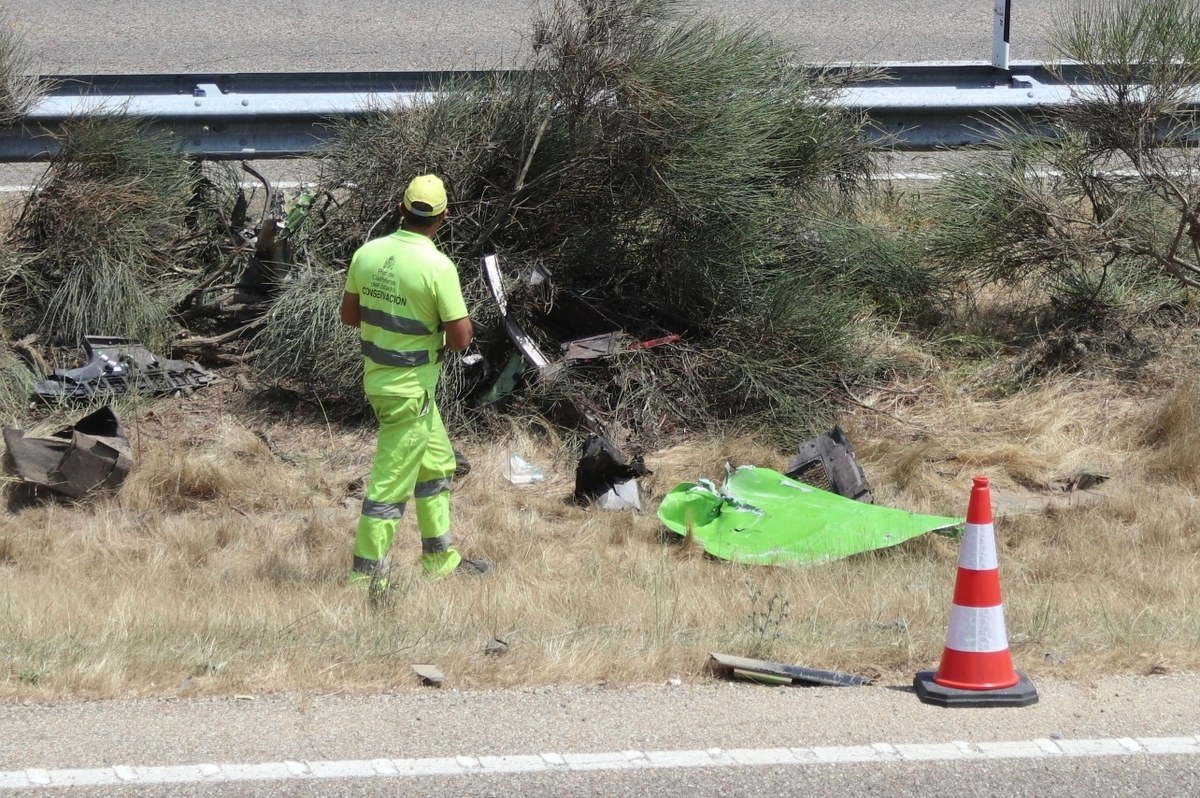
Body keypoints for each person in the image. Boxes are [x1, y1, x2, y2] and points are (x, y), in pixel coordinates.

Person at [340, 174, 490, 585]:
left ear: (401, 209)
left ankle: (440, 562)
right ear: (443, 216)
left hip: (384, 382)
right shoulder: (438, 267)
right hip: (410, 392)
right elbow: (461, 340)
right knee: (389, 486)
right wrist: (433, 330)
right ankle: (365, 578)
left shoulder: (367, 254)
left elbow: (350, 317)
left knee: (438, 465)